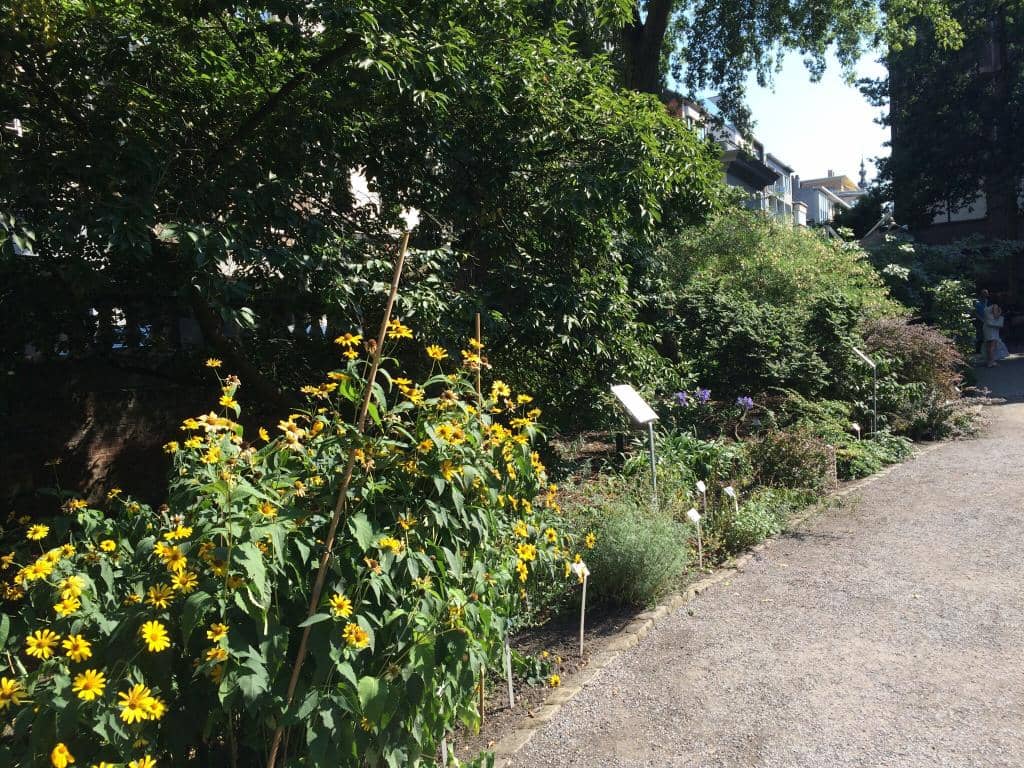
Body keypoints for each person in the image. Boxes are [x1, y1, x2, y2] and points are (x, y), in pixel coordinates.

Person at [983, 303, 1005, 367]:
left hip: (986, 326)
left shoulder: (987, 307)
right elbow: (996, 316)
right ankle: (992, 362)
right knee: (993, 345)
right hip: (992, 327)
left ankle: (989, 361)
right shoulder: (995, 305)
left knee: (988, 345)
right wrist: (1000, 312)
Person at [974, 288, 990, 354]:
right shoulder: (977, 302)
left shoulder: (987, 301)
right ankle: (978, 350)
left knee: (986, 335)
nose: (986, 295)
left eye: (986, 294)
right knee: (979, 335)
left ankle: (984, 349)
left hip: (986, 320)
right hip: (979, 320)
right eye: (985, 293)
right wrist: (981, 319)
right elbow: (975, 312)